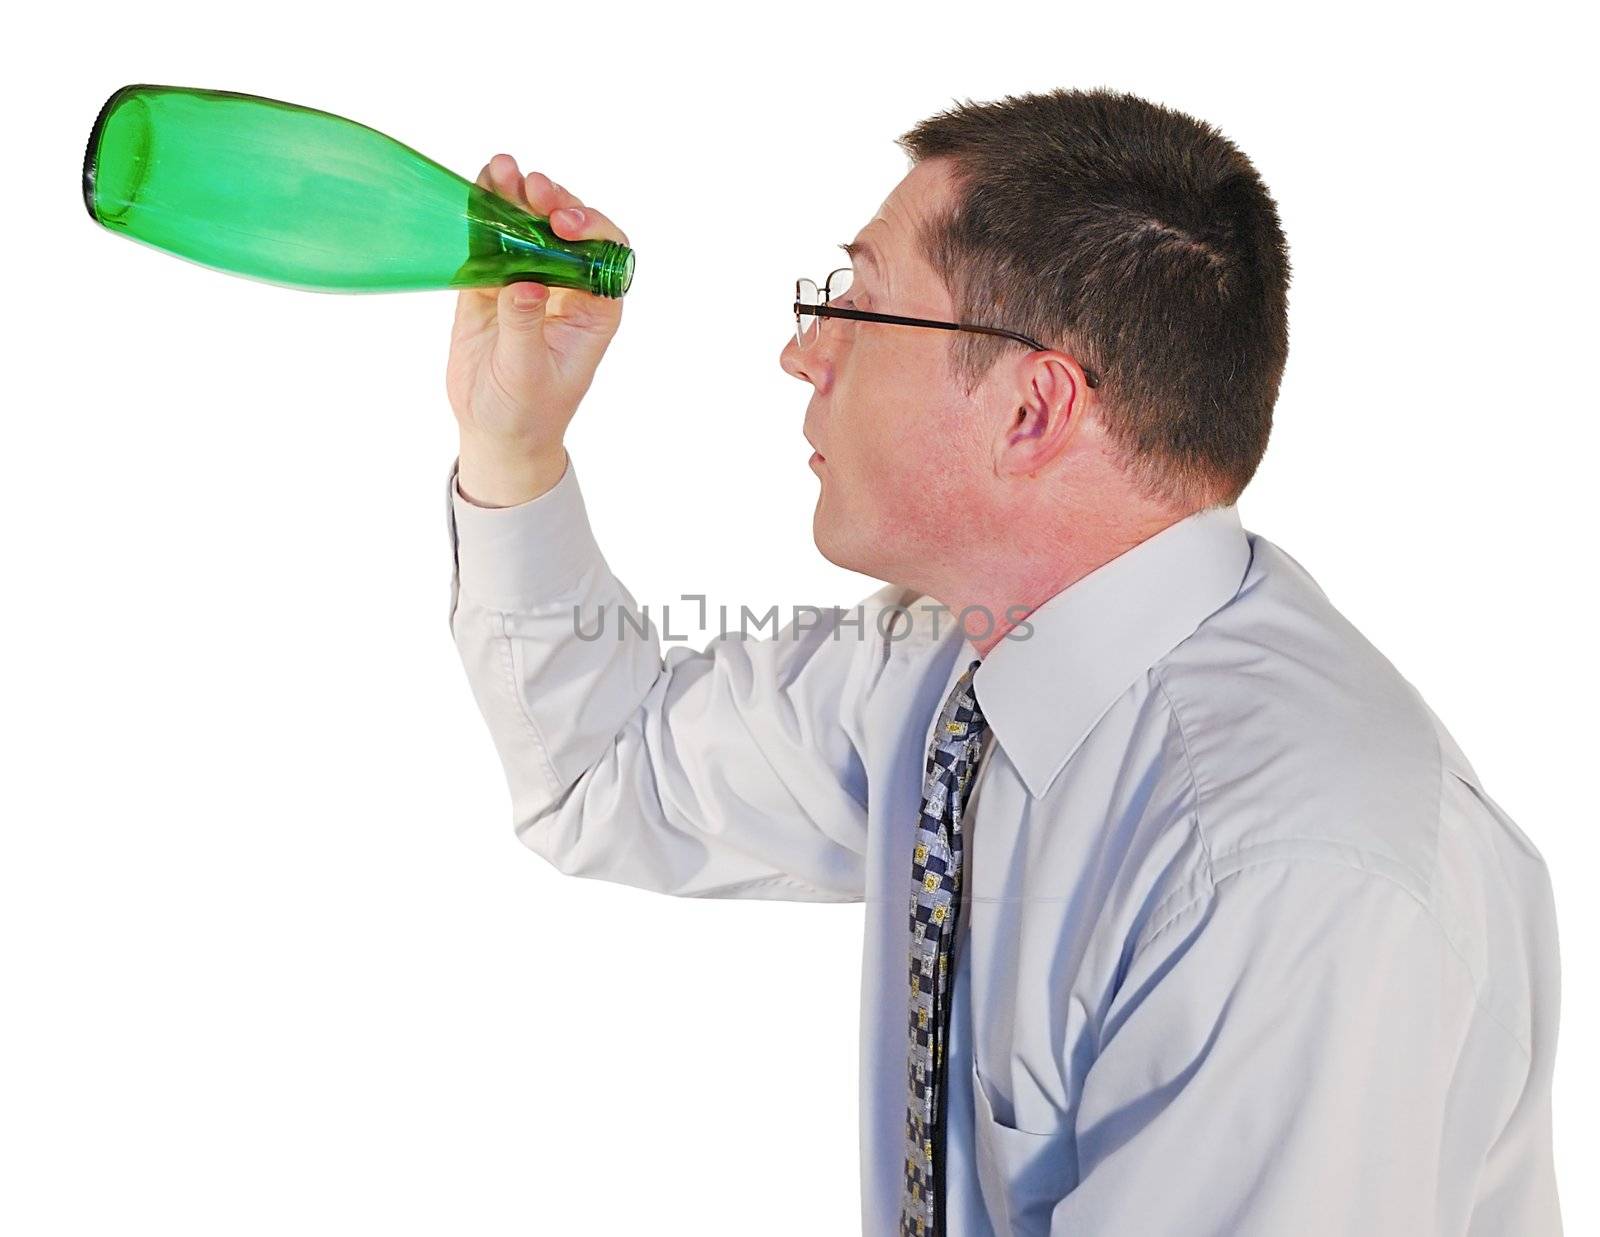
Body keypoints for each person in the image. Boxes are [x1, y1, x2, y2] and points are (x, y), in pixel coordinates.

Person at [441, 87, 1562, 1235]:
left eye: (857, 307)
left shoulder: (1286, 872)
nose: (799, 351)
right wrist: (511, 440)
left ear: (1032, 409)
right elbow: (608, 770)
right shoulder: (954, 665)